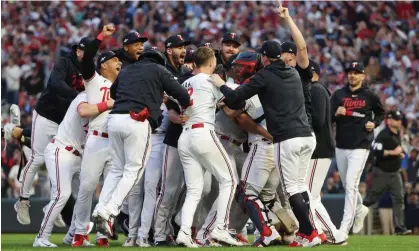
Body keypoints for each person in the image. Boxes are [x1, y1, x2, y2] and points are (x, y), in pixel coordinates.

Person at [210, 5, 320, 247]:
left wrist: (219, 84)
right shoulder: (293, 72)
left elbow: (236, 100)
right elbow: (301, 48)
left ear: (262, 58)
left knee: (282, 190)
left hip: (281, 139)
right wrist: (288, 19)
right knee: (297, 189)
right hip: (307, 136)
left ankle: (305, 233)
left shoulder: (264, 76)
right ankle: (304, 231)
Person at [92, 46, 190, 239]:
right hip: (137, 121)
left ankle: (100, 208)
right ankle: (109, 210)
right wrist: (161, 92)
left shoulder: (127, 70)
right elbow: (184, 96)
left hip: (114, 119)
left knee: (116, 170)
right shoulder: (159, 70)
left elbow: (113, 93)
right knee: (133, 170)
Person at [15, 36, 91, 226]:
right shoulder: (65, 63)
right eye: (84, 51)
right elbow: (56, 84)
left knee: (61, 164)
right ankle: (23, 201)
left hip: (64, 121)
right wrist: (78, 97)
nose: (85, 55)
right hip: (46, 114)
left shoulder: (90, 71)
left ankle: (54, 205)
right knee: (37, 158)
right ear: (78, 50)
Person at [175, 47, 241, 248]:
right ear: (212, 62)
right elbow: (231, 104)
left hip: (185, 136)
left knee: (194, 189)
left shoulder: (185, 81)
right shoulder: (210, 80)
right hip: (203, 132)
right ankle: (220, 228)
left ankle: (184, 232)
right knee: (229, 180)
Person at [33, 90, 114, 248]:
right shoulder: (85, 96)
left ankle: (73, 235)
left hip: (79, 155)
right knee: (62, 194)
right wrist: (109, 103)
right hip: (62, 150)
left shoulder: (102, 104)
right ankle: (41, 237)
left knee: (86, 191)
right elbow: (84, 111)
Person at [69, 24, 122, 247]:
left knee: (109, 191)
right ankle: (80, 232)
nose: (119, 62)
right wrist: (101, 37)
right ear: (104, 64)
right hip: (97, 139)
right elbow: (88, 57)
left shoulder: (124, 83)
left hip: (117, 141)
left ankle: (102, 233)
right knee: (87, 187)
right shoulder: (94, 80)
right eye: (115, 60)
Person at [330, 61, 385, 235]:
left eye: (356, 72)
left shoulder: (370, 95)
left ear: (363, 75)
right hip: (341, 145)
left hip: (361, 145)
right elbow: (328, 118)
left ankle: (344, 229)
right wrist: (334, 114)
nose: (352, 75)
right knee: (348, 186)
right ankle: (360, 209)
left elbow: (381, 113)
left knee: (351, 184)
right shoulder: (338, 95)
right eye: (350, 72)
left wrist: (374, 123)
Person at [305, 60, 347, 244]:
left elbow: (319, 120)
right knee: (310, 195)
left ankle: (333, 234)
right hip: (321, 147)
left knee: (309, 196)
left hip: (320, 148)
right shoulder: (317, 89)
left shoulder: (315, 89)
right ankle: (326, 232)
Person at [364, 110, 411, 235]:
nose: (399, 121)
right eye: (396, 119)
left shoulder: (398, 134)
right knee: (370, 200)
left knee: (399, 199)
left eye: (399, 119)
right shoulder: (383, 134)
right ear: (389, 121)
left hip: (395, 173)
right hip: (382, 172)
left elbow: (393, 150)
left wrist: (398, 155)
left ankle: (399, 227)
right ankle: (352, 216)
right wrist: (393, 153)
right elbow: (375, 152)